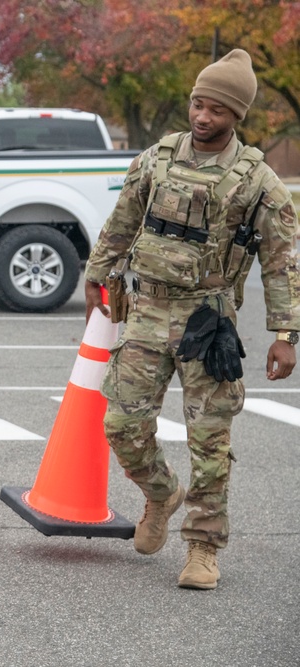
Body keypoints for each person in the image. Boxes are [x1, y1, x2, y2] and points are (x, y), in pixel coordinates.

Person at [84, 49, 300, 590]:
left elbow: (281, 260)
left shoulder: (257, 181)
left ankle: (203, 548)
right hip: (149, 310)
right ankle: (161, 493)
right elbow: (123, 220)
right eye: (198, 105)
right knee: (122, 425)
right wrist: (97, 272)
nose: (203, 117)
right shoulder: (155, 160)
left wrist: (285, 334)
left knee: (210, 440)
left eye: (217, 110)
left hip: (208, 320)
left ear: (237, 117)